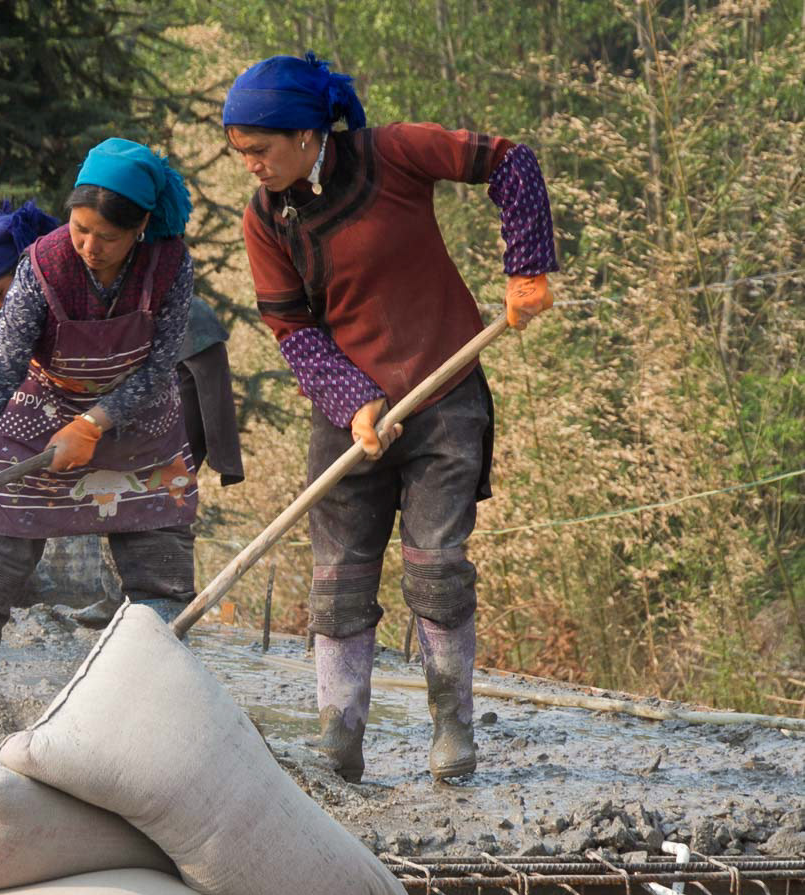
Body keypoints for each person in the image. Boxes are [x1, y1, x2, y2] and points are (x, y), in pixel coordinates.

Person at [223, 53, 557, 782]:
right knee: (339, 579)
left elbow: (511, 161)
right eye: (239, 150)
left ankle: (453, 729)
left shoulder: (394, 153)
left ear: (307, 134)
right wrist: (353, 402)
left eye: (259, 148)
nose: (249, 164)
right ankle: (338, 738)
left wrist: (526, 266)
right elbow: (292, 329)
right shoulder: (266, 219)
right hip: (348, 412)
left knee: (438, 569)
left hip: (445, 395)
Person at [0, 137, 198, 694]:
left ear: (141, 227)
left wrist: (95, 422)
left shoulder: (169, 264)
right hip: (41, 413)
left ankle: (158, 692)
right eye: (80, 228)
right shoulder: (41, 265)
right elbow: (0, 372)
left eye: (107, 237)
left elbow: (160, 365)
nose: (90, 246)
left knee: (160, 561)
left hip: (140, 419)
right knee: (2, 547)